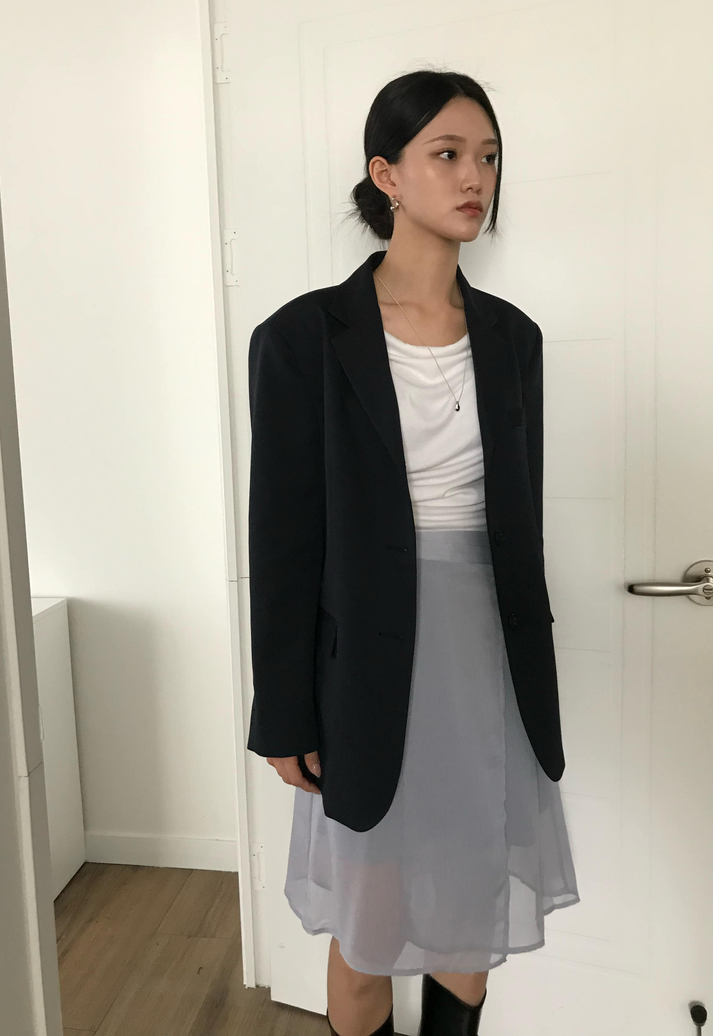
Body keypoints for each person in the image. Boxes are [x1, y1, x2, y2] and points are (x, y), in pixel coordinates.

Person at [245, 70, 580, 1036]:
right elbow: (283, 538)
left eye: (489, 157)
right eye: (448, 154)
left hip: (487, 663)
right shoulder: (304, 337)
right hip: (364, 666)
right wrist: (285, 709)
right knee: (371, 924)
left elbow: (519, 526)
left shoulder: (513, 340)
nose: (476, 177)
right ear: (386, 175)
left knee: (470, 920)